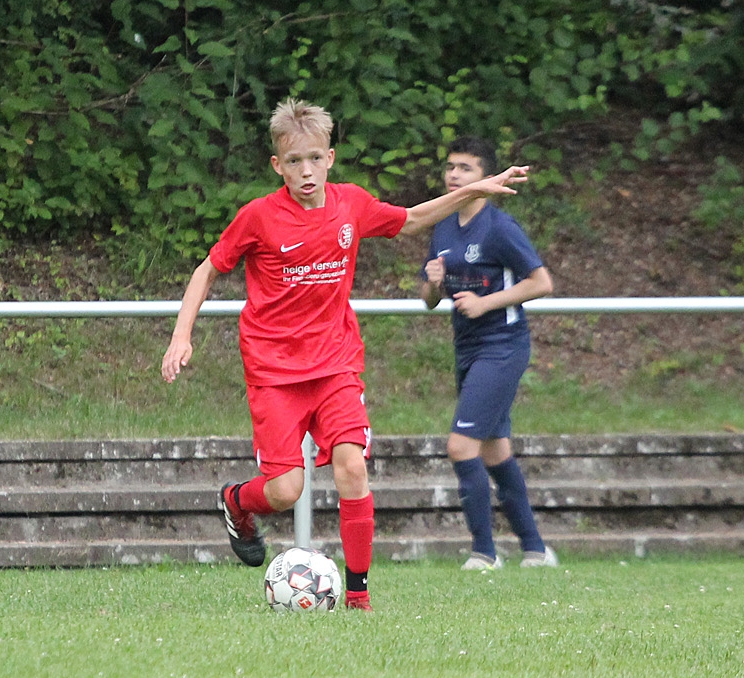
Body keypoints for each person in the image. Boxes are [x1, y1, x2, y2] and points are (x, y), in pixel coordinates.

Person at [161, 98, 528, 610]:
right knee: (286, 490)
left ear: (329, 158)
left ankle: (358, 596)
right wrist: (182, 336)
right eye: (294, 162)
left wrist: (475, 190)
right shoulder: (259, 218)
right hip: (274, 371)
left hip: (335, 363)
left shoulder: (351, 204)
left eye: (314, 159)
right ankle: (235, 502)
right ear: (277, 166)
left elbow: (412, 218)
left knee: (352, 468)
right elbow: (208, 268)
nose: (305, 171)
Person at [419, 136, 557, 570]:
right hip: (468, 347)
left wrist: (485, 303)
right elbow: (428, 300)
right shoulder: (442, 225)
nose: (455, 175)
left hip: (503, 346)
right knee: (495, 451)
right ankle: (535, 550)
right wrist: (433, 283)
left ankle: (484, 553)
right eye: (451, 167)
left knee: (462, 447)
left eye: (466, 168)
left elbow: (541, 283)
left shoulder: (499, 227)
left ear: (486, 177)